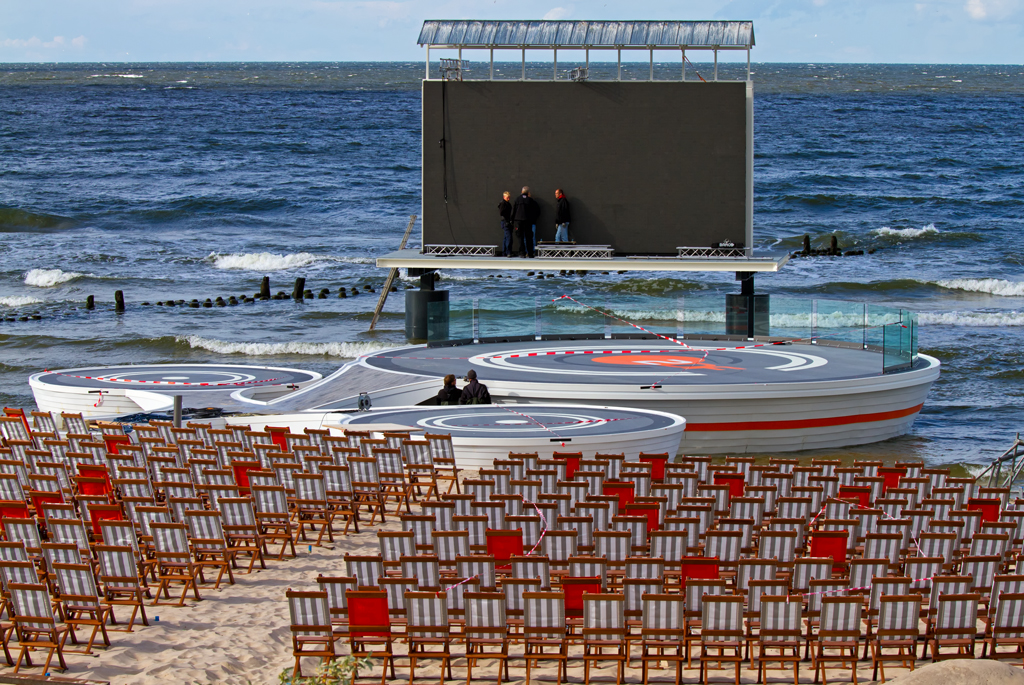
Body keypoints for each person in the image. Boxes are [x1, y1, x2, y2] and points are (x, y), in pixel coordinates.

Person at [511, 186, 534, 258]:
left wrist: (512, 220)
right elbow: (533, 211)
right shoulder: (530, 200)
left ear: (521, 192)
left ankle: (522, 253)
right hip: (528, 221)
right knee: (528, 237)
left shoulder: (517, 199)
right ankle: (530, 253)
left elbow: (514, 211)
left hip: (518, 221)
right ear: (528, 193)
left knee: (520, 237)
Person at [497, 191, 513, 257]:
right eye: (507, 197)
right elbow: (501, 213)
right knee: (508, 237)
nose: (508, 199)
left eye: (509, 197)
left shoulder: (506, 203)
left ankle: (505, 252)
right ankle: (508, 252)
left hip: (506, 221)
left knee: (506, 237)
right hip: (505, 221)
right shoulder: (503, 203)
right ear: (504, 197)